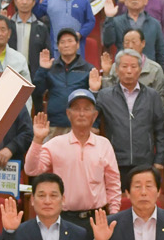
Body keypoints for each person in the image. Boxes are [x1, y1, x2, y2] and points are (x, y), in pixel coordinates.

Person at [28, 90, 121, 221]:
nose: (81, 114)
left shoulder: (104, 144)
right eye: (76, 109)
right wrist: (37, 140)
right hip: (64, 218)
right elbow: (31, 169)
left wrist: (113, 214)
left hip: (96, 217)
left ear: (94, 115)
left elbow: (113, 183)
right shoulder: (55, 144)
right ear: (68, 114)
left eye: (86, 109)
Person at [93, 47, 164, 184]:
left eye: (133, 66)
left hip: (145, 162)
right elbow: (92, 124)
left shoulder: (152, 96)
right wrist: (93, 92)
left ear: (140, 69)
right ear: (116, 69)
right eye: (124, 66)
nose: (129, 71)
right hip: (115, 161)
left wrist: (159, 160)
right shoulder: (105, 96)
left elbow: (160, 130)